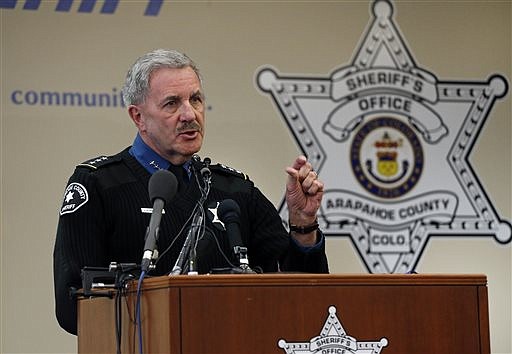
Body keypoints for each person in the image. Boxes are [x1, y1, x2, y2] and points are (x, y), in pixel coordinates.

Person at [53, 49, 329, 335]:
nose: (190, 114)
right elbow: (72, 305)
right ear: (138, 117)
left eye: (195, 99)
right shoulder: (99, 184)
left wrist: (302, 222)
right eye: (172, 103)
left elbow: (306, 294)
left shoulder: (234, 190)